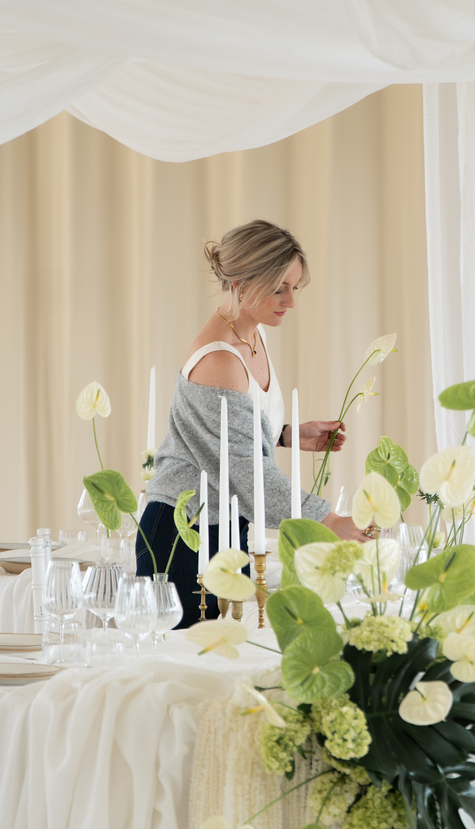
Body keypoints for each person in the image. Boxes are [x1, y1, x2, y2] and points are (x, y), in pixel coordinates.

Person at [139, 220, 366, 624]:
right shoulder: (220, 359)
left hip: (222, 523)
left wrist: (287, 434)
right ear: (242, 283)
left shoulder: (251, 334)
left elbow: (226, 429)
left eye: (295, 287)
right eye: (280, 288)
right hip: (183, 533)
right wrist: (328, 520)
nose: (291, 301)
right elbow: (247, 473)